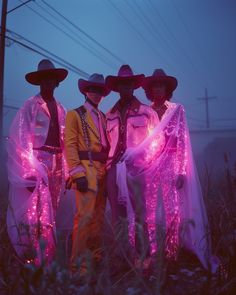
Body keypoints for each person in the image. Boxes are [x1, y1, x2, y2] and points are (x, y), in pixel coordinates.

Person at [122, 68, 216, 271]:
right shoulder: (145, 111)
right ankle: (156, 254)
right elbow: (144, 143)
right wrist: (137, 162)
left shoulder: (176, 110)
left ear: (167, 89)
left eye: (161, 85)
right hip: (150, 167)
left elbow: (182, 140)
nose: (158, 89)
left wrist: (181, 169)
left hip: (171, 165)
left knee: (173, 210)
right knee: (151, 212)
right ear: (149, 90)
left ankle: (172, 254)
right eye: (154, 86)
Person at [7, 59, 68, 265]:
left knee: (53, 209)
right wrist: (29, 168)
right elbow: (22, 137)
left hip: (57, 163)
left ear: (56, 82)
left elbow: (65, 141)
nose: (48, 83)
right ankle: (34, 257)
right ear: (39, 82)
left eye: (51, 79)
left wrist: (66, 170)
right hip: (38, 161)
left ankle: (48, 256)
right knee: (37, 210)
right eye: (44, 79)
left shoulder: (61, 109)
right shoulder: (30, 106)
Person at [105, 65, 159, 267]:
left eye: (129, 84)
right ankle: (122, 257)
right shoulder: (109, 114)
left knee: (139, 213)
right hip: (113, 169)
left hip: (137, 170)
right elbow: (106, 143)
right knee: (117, 215)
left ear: (134, 87)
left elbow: (157, 143)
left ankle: (143, 258)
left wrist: (145, 164)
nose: (125, 88)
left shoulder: (147, 113)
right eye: (122, 84)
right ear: (117, 87)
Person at [65, 73, 110, 275]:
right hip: (85, 168)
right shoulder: (75, 114)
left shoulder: (103, 117)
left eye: (100, 90)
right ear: (85, 91)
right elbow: (70, 145)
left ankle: (95, 258)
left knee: (98, 216)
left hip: (102, 169)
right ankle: (78, 266)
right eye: (93, 89)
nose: (97, 93)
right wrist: (77, 173)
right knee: (84, 217)